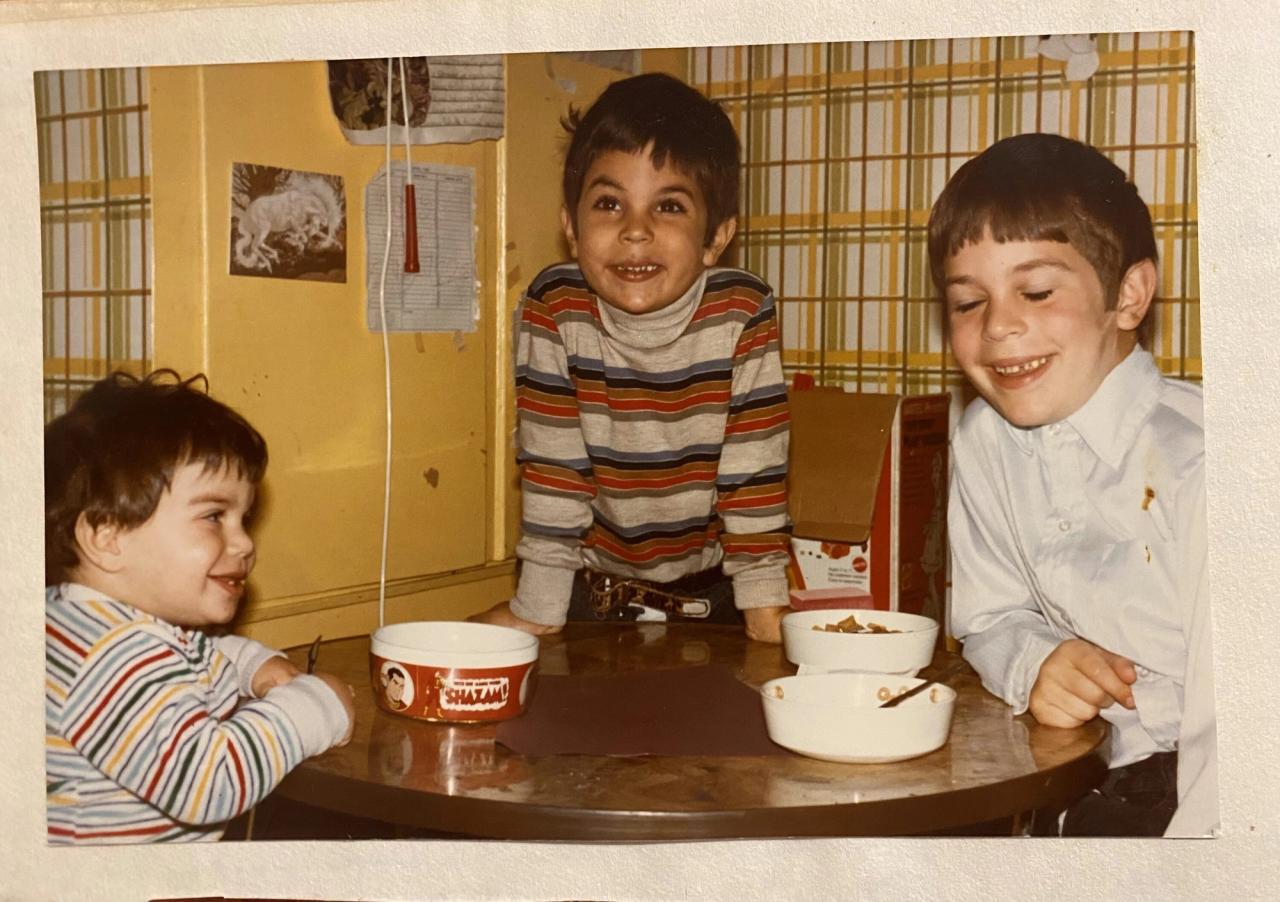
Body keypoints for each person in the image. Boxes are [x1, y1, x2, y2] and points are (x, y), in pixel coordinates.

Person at [930, 133, 1216, 837]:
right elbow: (988, 617)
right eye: (968, 303)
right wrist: (1038, 662)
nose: (999, 325)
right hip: (1076, 767)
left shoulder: (1206, 465)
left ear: (1128, 295)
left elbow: (1237, 739)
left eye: (1035, 290)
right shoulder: (982, 439)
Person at [471, 72, 792, 642]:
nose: (635, 232)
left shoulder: (743, 310)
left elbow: (754, 473)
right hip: (587, 588)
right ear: (571, 226)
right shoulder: (554, 307)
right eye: (609, 203)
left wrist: (766, 607)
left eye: (668, 206)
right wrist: (538, 610)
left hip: (711, 592)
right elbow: (554, 474)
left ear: (716, 237)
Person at [45, 370, 355, 844]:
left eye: (244, 518)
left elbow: (189, 654)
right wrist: (316, 706)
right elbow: (212, 782)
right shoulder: (117, 655)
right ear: (107, 537)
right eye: (214, 516)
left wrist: (252, 663)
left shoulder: (85, 623)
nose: (246, 543)